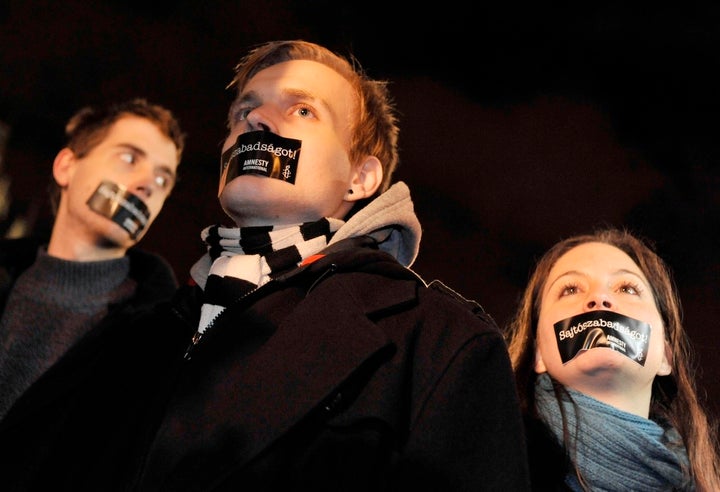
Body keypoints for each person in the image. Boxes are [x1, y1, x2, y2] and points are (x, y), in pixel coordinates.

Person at [128, 40, 530, 491]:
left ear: (361, 177)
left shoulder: (437, 341)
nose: (257, 120)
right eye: (244, 112)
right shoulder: (134, 335)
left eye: (303, 111)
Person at [0, 98, 186, 489]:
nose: (146, 184)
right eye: (129, 158)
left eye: (163, 179)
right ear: (66, 166)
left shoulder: (160, 341)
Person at [505, 227, 720, 491]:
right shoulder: (484, 462)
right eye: (570, 289)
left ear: (665, 356)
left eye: (627, 288)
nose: (599, 298)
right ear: (539, 354)